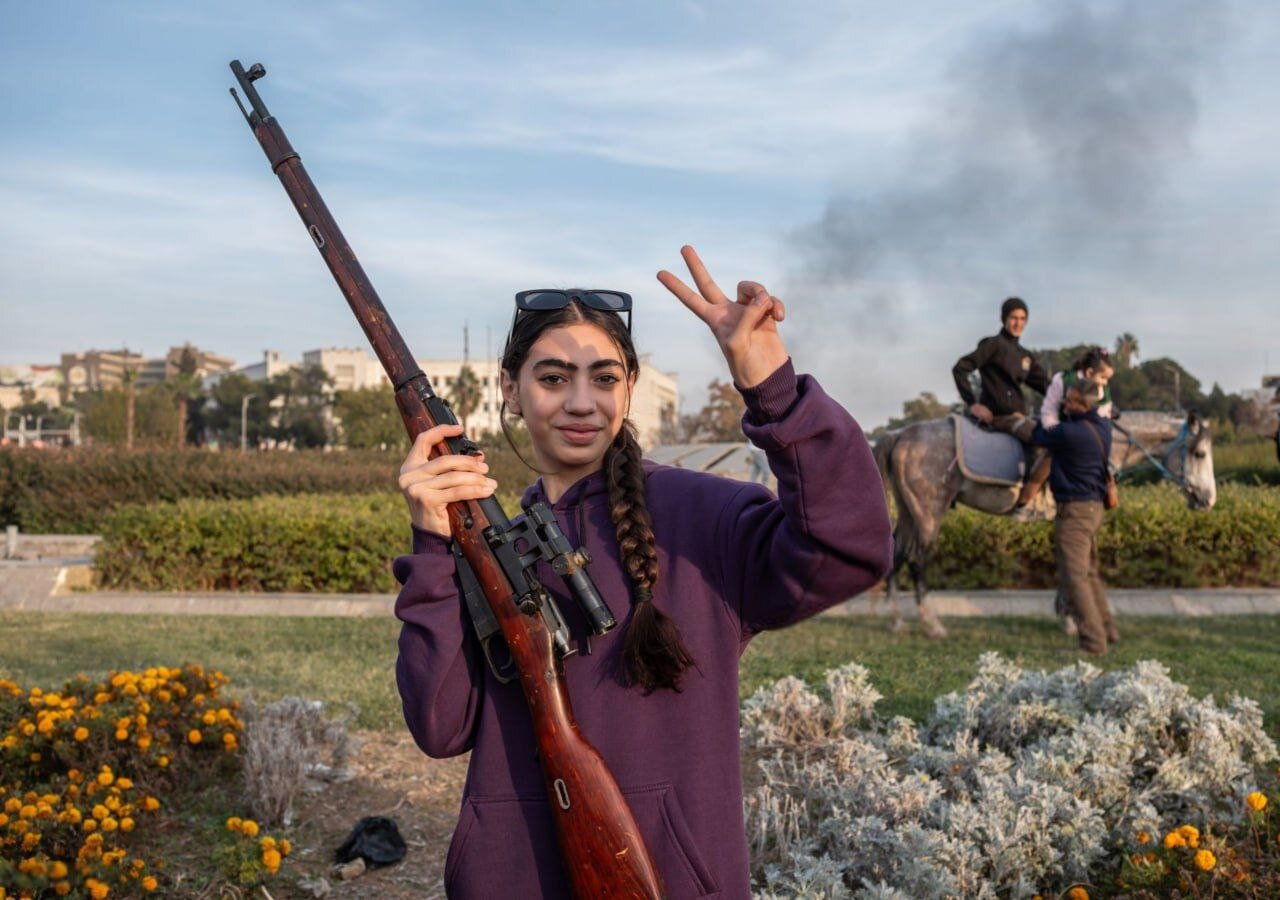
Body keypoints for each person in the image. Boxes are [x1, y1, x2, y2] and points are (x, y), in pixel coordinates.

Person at [392, 246, 893, 898]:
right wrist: (433, 545)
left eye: (603, 378)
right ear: (509, 391)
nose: (580, 402)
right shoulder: (482, 551)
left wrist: (774, 389)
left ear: (630, 390)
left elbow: (850, 545)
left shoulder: (704, 515)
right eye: (552, 378)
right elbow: (440, 725)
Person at [1031, 382, 1117, 655]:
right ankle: (1107, 630)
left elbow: (1039, 433)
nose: (1066, 406)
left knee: (1075, 577)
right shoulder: (1102, 428)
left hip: (1075, 513)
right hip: (1093, 508)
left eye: (1071, 403)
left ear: (1085, 406)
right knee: (1089, 573)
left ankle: (1093, 643)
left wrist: (1051, 407)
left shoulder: (1068, 433)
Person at [1018, 346, 1116, 507]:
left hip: (1086, 433)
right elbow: (1049, 409)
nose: (1106, 383)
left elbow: (1104, 413)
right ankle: (1029, 493)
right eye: (1103, 378)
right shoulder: (1063, 380)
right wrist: (1056, 431)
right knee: (1049, 456)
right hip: (1061, 428)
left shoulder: (1102, 390)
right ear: (1090, 373)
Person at [952, 296, 1050, 442]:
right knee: (1042, 438)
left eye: (1023, 319)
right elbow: (960, 368)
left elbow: (1048, 386)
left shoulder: (1025, 356)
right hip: (999, 418)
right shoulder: (993, 345)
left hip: (1019, 417)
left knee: (1056, 433)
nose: (1018, 323)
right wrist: (973, 404)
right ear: (1004, 318)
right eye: (1014, 318)